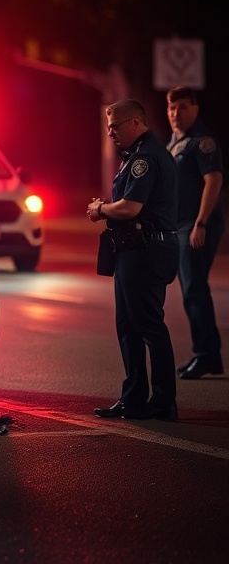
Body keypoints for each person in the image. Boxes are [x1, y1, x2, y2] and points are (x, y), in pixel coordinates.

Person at [87, 99, 180, 421]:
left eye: (115, 126)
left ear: (136, 124)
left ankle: (163, 401)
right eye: (109, 126)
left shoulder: (146, 158)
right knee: (128, 326)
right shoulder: (137, 156)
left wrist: (100, 209)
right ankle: (134, 398)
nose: (110, 132)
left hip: (147, 250)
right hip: (135, 250)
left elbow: (130, 208)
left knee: (149, 326)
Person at [166, 86, 225, 379]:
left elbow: (213, 181)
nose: (176, 113)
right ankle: (208, 355)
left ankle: (206, 354)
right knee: (192, 289)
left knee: (194, 289)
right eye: (172, 108)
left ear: (196, 109)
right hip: (180, 225)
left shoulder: (202, 142)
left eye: (183, 107)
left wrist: (201, 223)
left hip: (196, 225)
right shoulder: (175, 143)